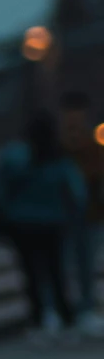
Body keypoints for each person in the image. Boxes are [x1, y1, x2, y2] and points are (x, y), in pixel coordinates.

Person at [0, 109, 87, 342]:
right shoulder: (59, 157)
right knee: (57, 272)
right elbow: (77, 191)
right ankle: (66, 319)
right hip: (53, 222)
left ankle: (39, 319)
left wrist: (3, 214)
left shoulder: (14, 155)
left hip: (22, 223)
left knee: (31, 274)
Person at [58, 91, 104, 339]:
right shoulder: (59, 146)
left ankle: (84, 308)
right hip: (65, 215)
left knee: (85, 263)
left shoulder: (92, 143)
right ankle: (72, 310)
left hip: (90, 213)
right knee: (70, 264)